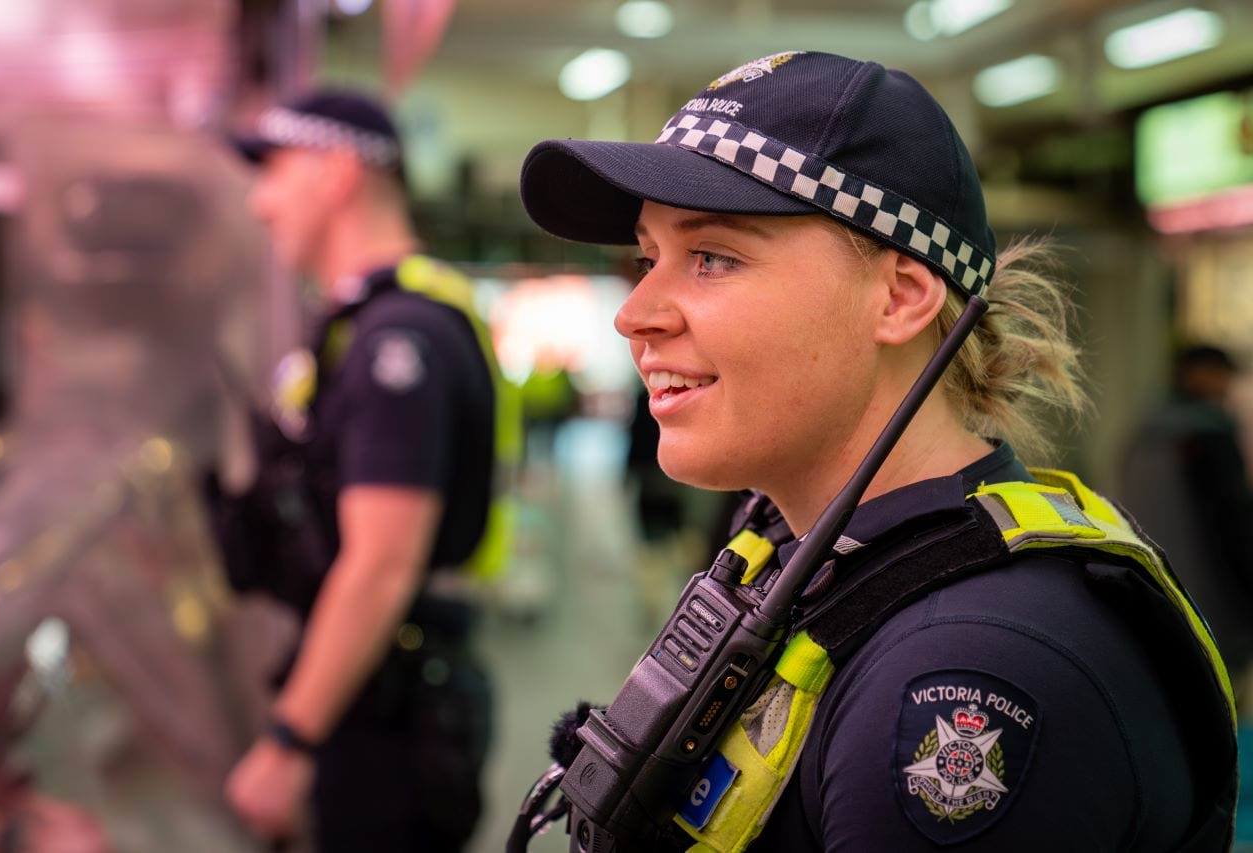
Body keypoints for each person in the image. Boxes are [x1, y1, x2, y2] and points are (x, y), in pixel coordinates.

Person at [517, 52, 1236, 849]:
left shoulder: (966, 672)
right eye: (650, 259)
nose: (635, 313)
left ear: (899, 297)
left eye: (712, 257)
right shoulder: (811, 562)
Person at [216, 89, 499, 851]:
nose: (261, 201)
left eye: (275, 169)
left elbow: (380, 563)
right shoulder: (368, 326)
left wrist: (287, 741)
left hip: (392, 709)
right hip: (384, 689)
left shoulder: (396, 342)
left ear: (338, 173)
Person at [1121, 345, 1253, 680]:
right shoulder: (1207, 432)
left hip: (1149, 592)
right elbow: (1232, 522)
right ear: (1196, 374)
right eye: (1221, 375)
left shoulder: (1144, 430)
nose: (1225, 387)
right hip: (1208, 601)